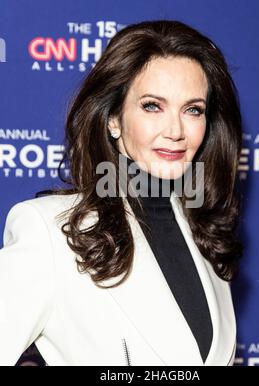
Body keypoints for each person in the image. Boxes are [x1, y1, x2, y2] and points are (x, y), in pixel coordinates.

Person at [0, 19, 243, 366]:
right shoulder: (50, 231)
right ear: (113, 117)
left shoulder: (207, 233)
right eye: (152, 106)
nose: (175, 130)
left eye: (193, 110)